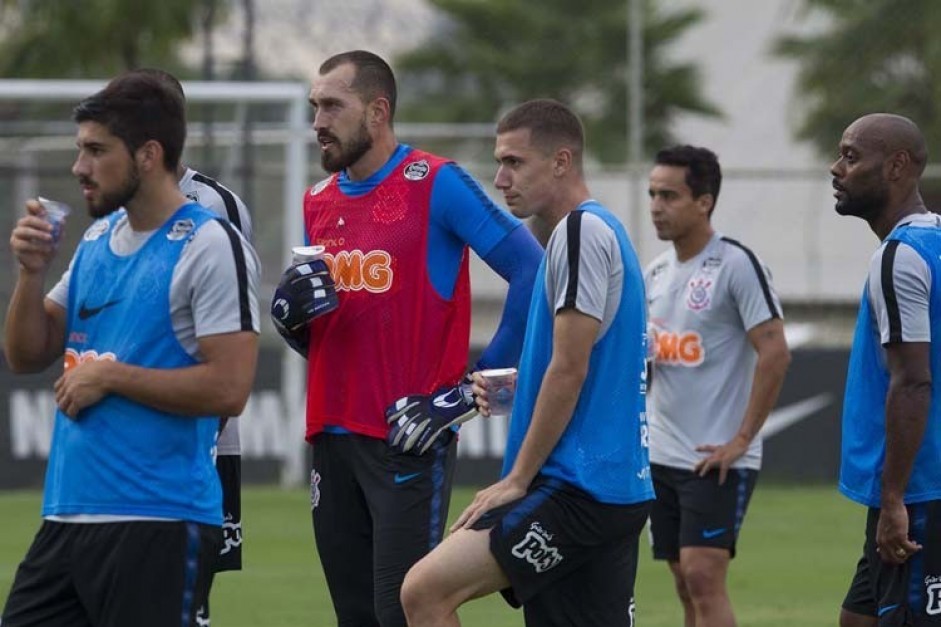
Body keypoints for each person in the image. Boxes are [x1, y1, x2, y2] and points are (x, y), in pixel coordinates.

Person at [269, 50, 542, 626]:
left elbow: (532, 270)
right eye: (314, 105)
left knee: (405, 615)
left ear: (377, 111)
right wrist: (290, 322)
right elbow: (322, 340)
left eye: (332, 106)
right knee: (356, 618)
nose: (318, 120)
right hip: (331, 439)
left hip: (406, 441)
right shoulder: (315, 203)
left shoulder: (436, 182)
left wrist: (472, 392)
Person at [1, 71, 260, 627]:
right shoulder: (95, 240)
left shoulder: (210, 244)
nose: (79, 167)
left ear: (147, 155)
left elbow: (230, 388)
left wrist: (112, 377)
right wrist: (29, 274)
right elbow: (26, 354)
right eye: (79, 150)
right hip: (67, 517)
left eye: (96, 151)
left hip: (158, 520)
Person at [399, 98, 653, 627]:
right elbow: (592, 363)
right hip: (608, 488)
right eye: (499, 162)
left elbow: (571, 367)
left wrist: (517, 478)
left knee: (424, 592)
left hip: (579, 489)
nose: (500, 178)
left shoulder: (582, 232)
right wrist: (521, 385)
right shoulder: (591, 233)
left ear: (561, 161)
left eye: (514, 162)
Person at [645, 145, 790, 627]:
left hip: (716, 457)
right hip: (661, 456)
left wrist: (742, 440)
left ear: (703, 202)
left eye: (669, 195)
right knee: (685, 584)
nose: (655, 206)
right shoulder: (657, 273)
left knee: (704, 578)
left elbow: (775, 351)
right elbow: (649, 364)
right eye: (651, 194)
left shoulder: (736, 265)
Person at [136, 67, 253, 625]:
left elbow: (234, 330)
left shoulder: (217, 207)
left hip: (203, 438)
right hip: (129, 434)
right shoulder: (112, 207)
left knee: (191, 597)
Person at [831, 114, 941, 627]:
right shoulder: (933, 242)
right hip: (913, 488)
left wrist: (894, 497)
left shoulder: (900, 255)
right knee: (858, 618)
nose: (837, 169)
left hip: (918, 493)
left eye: (851, 156)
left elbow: (913, 379)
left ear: (897, 166)